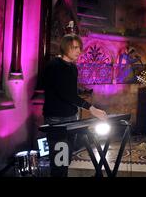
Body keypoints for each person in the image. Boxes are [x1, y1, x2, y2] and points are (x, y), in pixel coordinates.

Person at [42, 34, 107, 177]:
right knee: (59, 162)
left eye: (79, 48)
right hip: (56, 119)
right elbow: (66, 94)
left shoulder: (72, 67)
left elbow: (72, 91)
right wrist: (92, 108)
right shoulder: (54, 66)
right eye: (75, 47)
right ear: (66, 47)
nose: (79, 51)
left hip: (71, 117)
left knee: (65, 160)